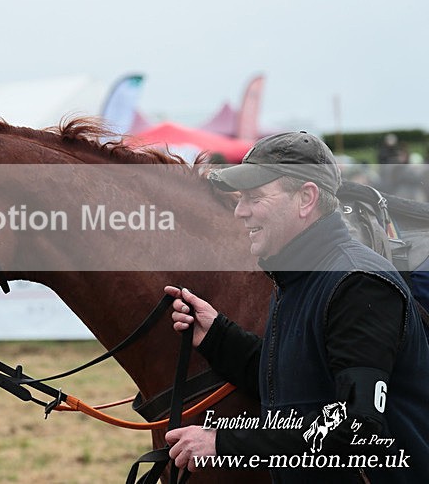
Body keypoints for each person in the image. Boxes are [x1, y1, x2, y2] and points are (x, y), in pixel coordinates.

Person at [164, 131, 429, 483]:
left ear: (306, 199)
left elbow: (357, 427)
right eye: (240, 198)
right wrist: (217, 336)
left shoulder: (357, 282)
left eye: (255, 197)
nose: (240, 212)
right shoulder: (298, 275)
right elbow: (295, 385)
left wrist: (224, 444)